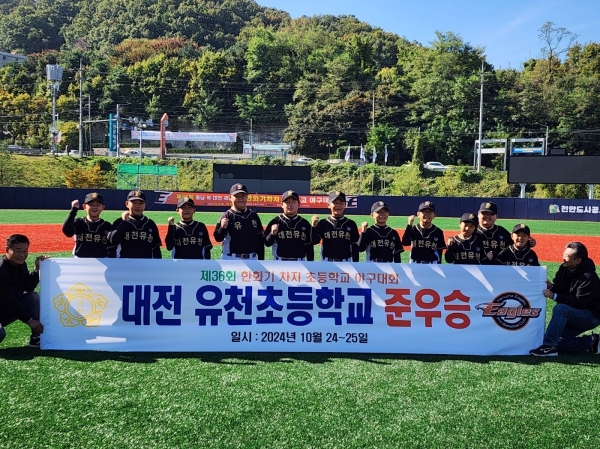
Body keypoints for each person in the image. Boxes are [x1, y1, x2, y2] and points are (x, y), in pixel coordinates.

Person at [530, 242, 600, 356]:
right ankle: (592, 342)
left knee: (560, 309)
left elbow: (578, 303)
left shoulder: (589, 277)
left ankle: (549, 347)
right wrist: (551, 287)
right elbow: (559, 287)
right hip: (575, 312)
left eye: (567, 256)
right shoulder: (564, 268)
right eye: (564, 254)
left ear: (578, 260)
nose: (563, 258)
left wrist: (554, 296)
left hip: (591, 315)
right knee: (557, 341)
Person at [0, 234, 48, 348]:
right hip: (6, 306)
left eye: (25, 251)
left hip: (5, 310)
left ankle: (36, 338)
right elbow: (9, 300)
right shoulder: (1, 269)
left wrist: (37, 270)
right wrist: (29, 320)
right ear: (7, 250)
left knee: (33, 297)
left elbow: (28, 287)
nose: (22, 255)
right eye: (18, 251)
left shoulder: (20, 264)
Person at [213, 183, 264, 260]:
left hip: (252, 258)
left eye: (243, 196)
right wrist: (222, 228)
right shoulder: (227, 216)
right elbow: (218, 238)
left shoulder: (253, 215)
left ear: (247, 197)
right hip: (232, 258)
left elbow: (260, 239)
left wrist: (261, 259)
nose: (240, 198)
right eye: (237, 196)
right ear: (230, 197)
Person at [108, 190, 162, 258]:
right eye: (134, 203)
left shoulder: (150, 223)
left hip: (146, 263)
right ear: (127, 204)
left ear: (145, 205)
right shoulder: (119, 222)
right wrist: (124, 222)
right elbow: (113, 241)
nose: (137, 206)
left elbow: (156, 248)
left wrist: (158, 263)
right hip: (124, 263)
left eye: (141, 203)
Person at [264, 190, 314, 261]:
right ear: (282, 204)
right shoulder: (275, 221)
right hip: (279, 262)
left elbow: (309, 246)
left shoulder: (304, 223)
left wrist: (310, 264)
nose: (291, 205)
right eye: (287, 202)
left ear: (299, 204)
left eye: (294, 202)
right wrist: (272, 234)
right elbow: (267, 243)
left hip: (300, 263)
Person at [311, 191, 359, 262]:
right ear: (328, 205)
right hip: (327, 262)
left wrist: (356, 263)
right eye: (335, 203)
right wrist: (314, 227)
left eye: (341, 203)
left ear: (345, 205)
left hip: (346, 262)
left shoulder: (351, 224)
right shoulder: (323, 223)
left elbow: (355, 246)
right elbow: (314, 241)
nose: (338, 205)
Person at [61, 192, 112, 258]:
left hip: (103, 261)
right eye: (91, 204)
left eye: (98, 205)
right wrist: (73, 210)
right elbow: (67, 231)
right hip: (80, 260)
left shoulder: (107, 225)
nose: (94, 207)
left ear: (103, 207)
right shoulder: (79, 222)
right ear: (84, 206)